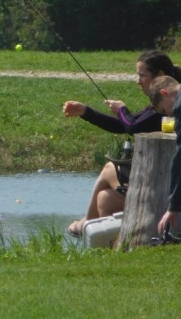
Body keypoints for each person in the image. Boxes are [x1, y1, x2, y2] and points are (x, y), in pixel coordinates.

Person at [63, 50, 181, 237]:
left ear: (159, 76)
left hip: (163, 180)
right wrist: (86, 112)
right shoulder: (161, 103)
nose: (138, 80)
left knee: (110, 168)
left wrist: (121, 109)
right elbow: (124, 125)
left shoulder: (168, 106)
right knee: (105, 200)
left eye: (142, 75)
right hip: (159, 174)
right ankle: (108, 248)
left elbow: (131, 126)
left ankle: (86, 223)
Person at [149, 76, 181, 234]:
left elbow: (180, 158)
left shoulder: (179, 107)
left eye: (163, 110)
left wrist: (173, 207)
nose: (168, 114)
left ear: (165, 93)